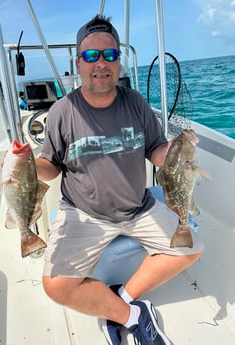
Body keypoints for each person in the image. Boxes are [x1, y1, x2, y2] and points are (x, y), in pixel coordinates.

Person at [35, 15, 203, 345]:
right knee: (56, 284)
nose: (101, 64)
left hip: (137, 207)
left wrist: (173, 153)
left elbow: (155, 149)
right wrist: (26, 167)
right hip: (83, 213)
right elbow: (50, 165)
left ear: (119, 62)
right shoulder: (62, 111)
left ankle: (121, 298)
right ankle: (134, 316)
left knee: (191, 249)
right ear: (78, 63)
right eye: (91, 56)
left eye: (109, 55)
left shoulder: (136, 103)